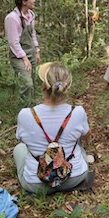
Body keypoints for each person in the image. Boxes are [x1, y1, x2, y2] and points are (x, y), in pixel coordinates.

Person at [13, 62, 94, 194]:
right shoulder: (78, 112)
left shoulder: (26, 114)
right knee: (78, 145)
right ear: (67, 86)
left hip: (35, 184)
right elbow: (87, 137)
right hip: (74, 178)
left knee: (19, 149)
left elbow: (23, 141)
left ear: (44, 85)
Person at [5, 0, 40, 108]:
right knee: (27, 84)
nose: (34, 1)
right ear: (24, 2)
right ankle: (22, 113)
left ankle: (32, 111)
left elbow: (32, 33)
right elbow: (13, 42)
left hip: (31, 52)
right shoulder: (12, 18)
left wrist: (37, 49)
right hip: (18, 55)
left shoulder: (31, 15)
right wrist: (24, 58)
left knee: (33, 83)